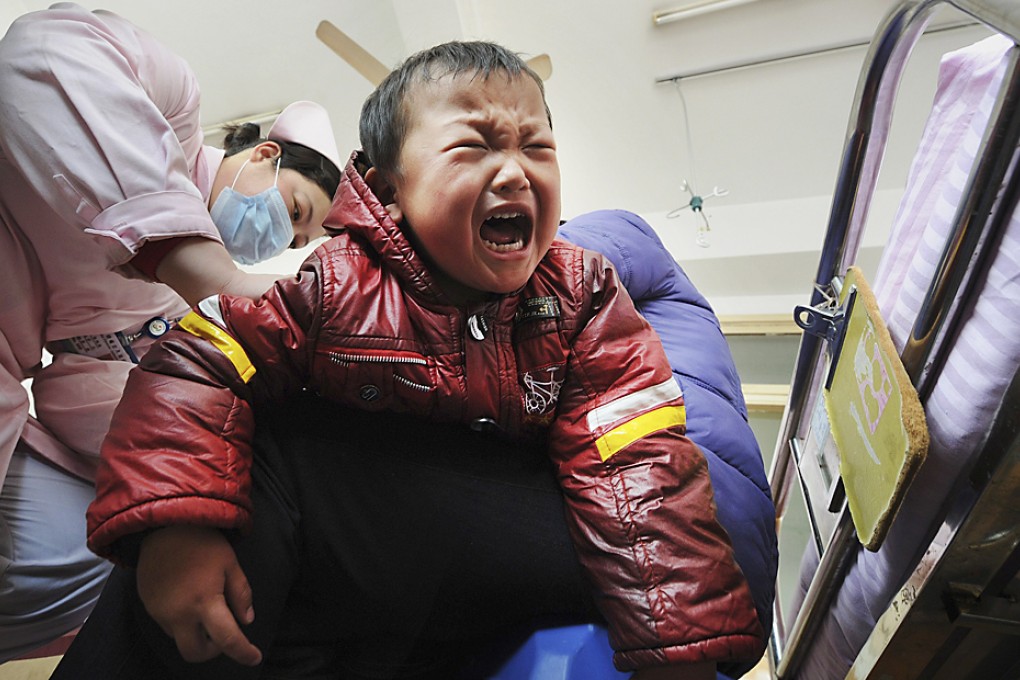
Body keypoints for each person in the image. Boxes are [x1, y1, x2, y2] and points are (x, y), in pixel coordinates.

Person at [66, 41, 767, 679]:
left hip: (529, 524)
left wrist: (678, 648)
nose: (515, 171)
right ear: (388, 190)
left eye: (537, 147)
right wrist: (178, 525)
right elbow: (198, 356)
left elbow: (636, 456)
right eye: (474, 148)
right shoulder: (339, 287)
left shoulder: (581, 294)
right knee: (246, 486)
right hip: (398, 586)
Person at [0, 3, 341, 661]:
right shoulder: (171, 111)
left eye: (295, 239)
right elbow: (37, 52)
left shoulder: (175, 319)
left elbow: (86, 400)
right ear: (263, 156)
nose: (280, 236)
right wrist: (208, 272)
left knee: (125, 570)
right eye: (292, 209)